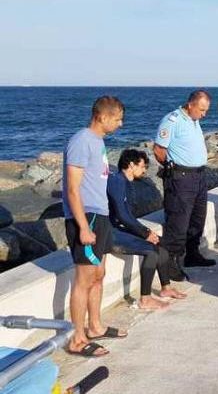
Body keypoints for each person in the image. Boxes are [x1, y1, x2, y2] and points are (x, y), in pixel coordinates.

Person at [63, 95, 127, 357]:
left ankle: (95, 326)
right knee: (84, 279)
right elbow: (72, 189)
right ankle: (77, 338)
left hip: (99, 215)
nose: (120, 124)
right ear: (103, 117)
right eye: (118, 119)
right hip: (86, 216)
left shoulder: (97, 142)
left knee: (98, 275)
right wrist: (83, 227)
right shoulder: (81, 141)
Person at [107, 149, 187, 310]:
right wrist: (144, 233)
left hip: (121, 228)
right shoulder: (116, 181)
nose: (144, 170)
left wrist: (147, 233)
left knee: (160, 244)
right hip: (110, 232)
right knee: (151, 251)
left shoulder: (127, 183)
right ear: (131, 165)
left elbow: (128, 215)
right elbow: (122, 215)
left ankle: (165, 288)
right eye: (142, 166)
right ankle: (145, 299)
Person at [153, 89, 216, 281]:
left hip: (198, 176)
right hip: (181, 178)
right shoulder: (173, 120)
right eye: (202, 109)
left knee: (197, 218)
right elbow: (158, 150)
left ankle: (192, 254)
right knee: (178, 222)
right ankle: (171, 263)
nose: (204, 114)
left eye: (206, 110)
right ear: (190, 105)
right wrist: (172, 168)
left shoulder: (194, 120)